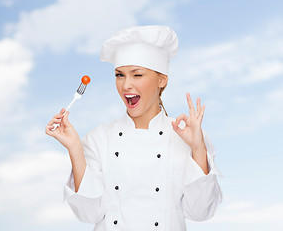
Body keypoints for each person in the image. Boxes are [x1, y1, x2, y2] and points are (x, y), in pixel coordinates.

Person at [45, 26, 223, 231]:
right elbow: (89, 214)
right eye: (120, 75)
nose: (126, 85)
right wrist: (75, 149)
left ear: (162, 79)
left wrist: (198, 149)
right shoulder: (99, 138)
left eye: (137, 75)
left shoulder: (190, 138)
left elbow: (201, 213)